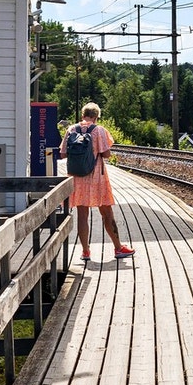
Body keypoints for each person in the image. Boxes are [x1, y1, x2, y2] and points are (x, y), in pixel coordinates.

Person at [64, 103, 133, 265]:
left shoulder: (71, 130)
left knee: (82, 215)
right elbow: (107, 154)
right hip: (96, 178)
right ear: (96, 116)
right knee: (107, 213)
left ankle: (85, 251)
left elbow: (63, 153)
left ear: (83, 115)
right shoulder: (99, 130)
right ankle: (118, 248)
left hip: (77, 177)